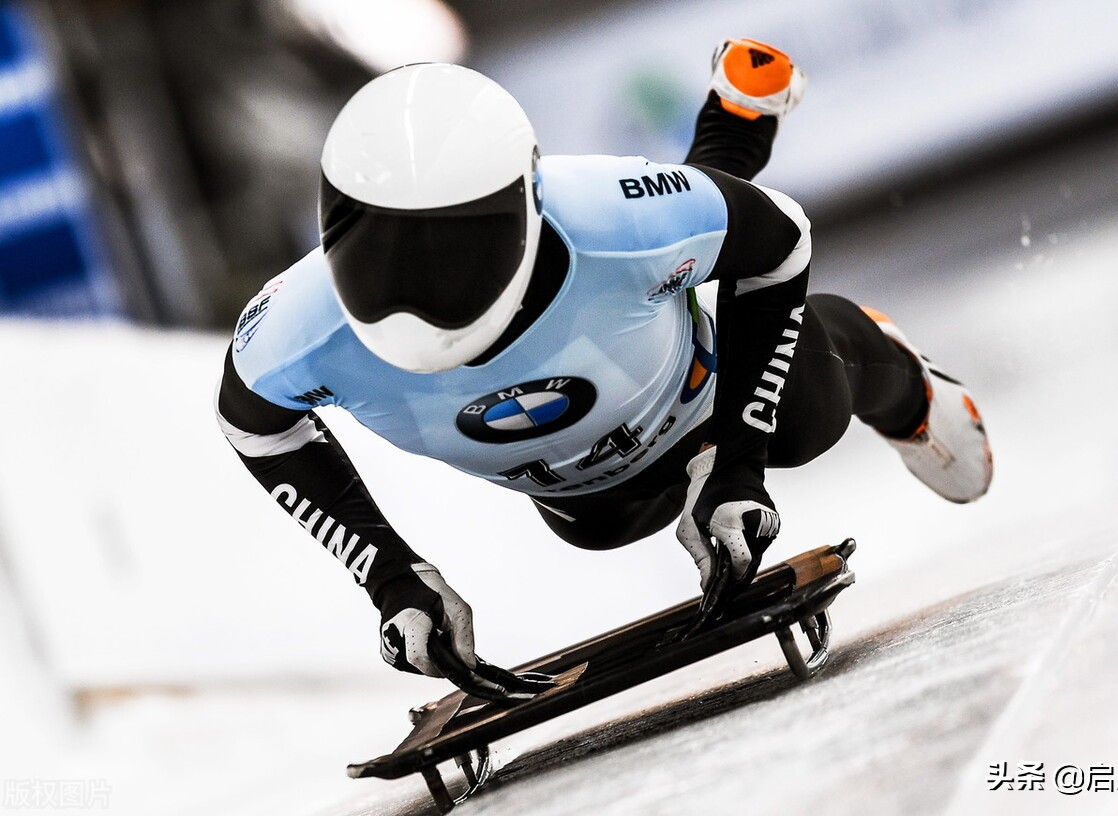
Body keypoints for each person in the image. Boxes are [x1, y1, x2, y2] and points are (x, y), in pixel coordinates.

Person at [215, 40, 992, 698]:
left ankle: (897, 377)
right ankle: (733, 123)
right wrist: (392, 576)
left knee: (803, 412)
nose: (428, 302)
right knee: (605, 527)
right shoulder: (293, 331)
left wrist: (739, 460)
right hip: (580, 485)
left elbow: (778, 239)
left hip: (700, 388)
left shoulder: (613, 217)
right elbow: (254, 428)